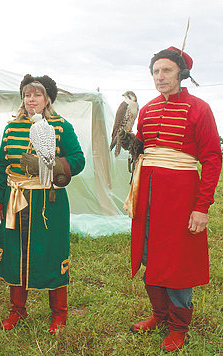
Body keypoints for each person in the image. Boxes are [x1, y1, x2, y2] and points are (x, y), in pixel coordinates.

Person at [121, 47, 222, 352]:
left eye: (166, 70)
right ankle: (159, 315)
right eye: (155, 71)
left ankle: (179, 326)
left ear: (181, 73)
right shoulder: (148, 109)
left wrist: (201, 207)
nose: (160, 77)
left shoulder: (199, 108)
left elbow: (212, 159)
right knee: (148, 253)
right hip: (148, 194)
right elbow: (143, 149)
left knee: (178, 261)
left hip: (181, 197)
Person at [0, 74, 85, 333]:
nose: (32, 99)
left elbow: (78, 160)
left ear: (47, 99)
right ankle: (17, 310)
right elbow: (1, 166)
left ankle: (59, 314)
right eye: (27, 95)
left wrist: (49, 166)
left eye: (37, 95)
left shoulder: (61, 126)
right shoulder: (10, 128)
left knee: (52, 254)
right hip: (15, 199)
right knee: (15, 253)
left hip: (48, 200)